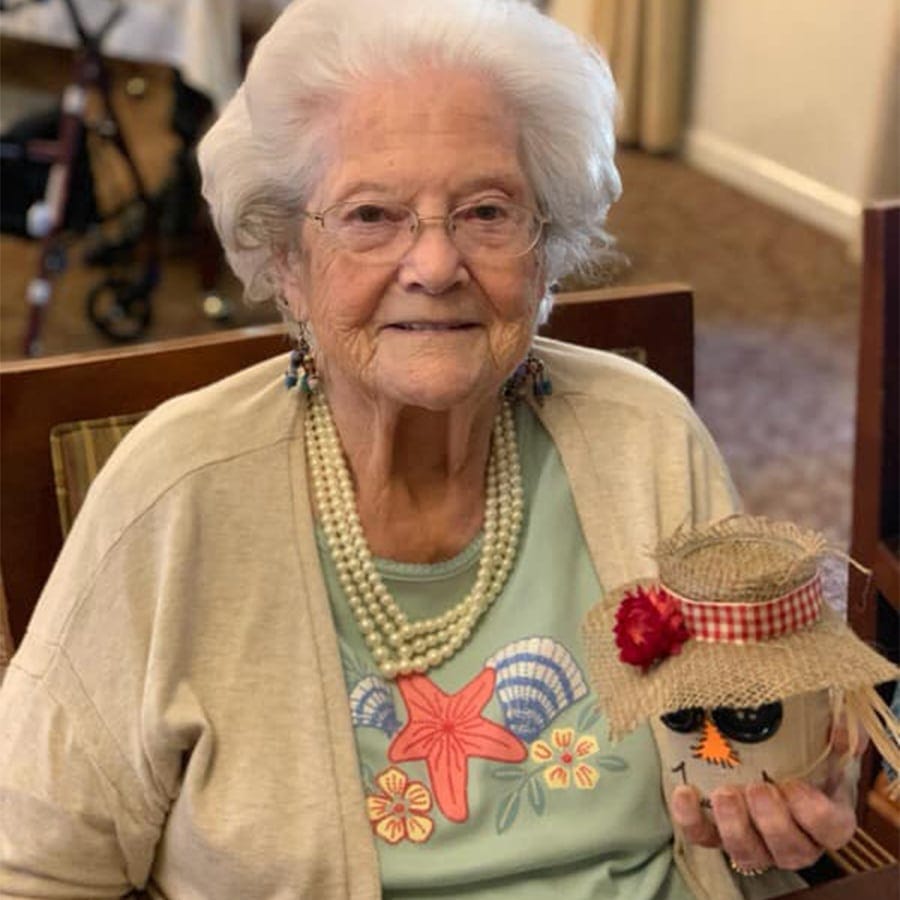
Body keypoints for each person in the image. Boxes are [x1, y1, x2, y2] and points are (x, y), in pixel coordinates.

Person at [0, 1, 859, 897]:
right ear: (288, 260)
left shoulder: (645, 434)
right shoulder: (177, 490)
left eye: (487, 212)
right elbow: (30, 869)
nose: (437, 265)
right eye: (371, 214)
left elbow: (761, 740)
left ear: (549, 248)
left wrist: (791, 793)